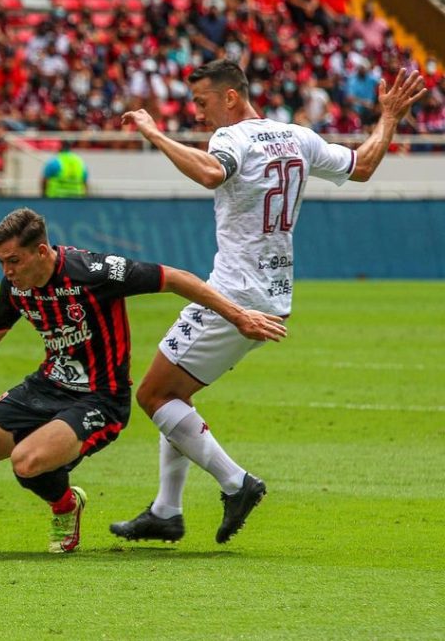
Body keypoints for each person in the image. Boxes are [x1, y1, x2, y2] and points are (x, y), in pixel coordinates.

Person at [0, 207, 285, 553]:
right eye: (1, 262)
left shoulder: (92, 272)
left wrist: (238, 315)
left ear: (42, 252)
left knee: (27, 463)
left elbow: (175, 278)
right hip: (47, 385)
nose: (7, 271)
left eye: (14, 261)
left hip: (100, 398)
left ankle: (65, 506)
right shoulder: (15, 283)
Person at [113, 59, 427, 544]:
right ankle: (166, 510)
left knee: (154, 395)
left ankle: (237, 483)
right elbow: (362, 166)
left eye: (202, 102)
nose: (198, 114)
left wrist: (154, 133)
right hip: (273, 293)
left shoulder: (230, 140)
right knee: (175, 393)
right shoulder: (296, 136)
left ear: (231, 97)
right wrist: (389, 117)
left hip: (233, 295)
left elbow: (211, 174)